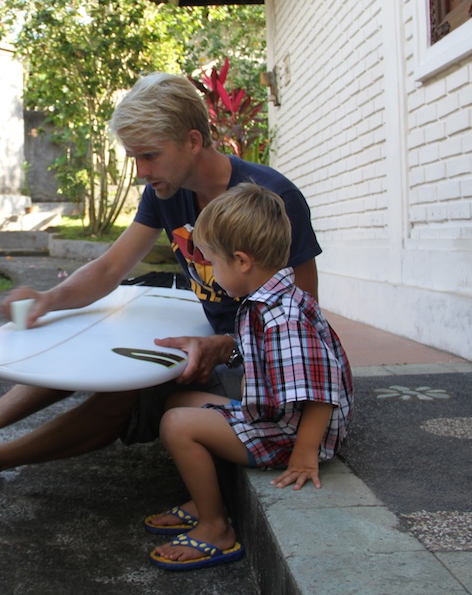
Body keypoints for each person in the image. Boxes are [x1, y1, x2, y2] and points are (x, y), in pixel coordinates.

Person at [0, 72, 323, 483]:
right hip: (215, 344)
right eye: (134, 157)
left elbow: (305, 316)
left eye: (149, 155)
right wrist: (48, 299)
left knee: (133, 390)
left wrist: (225, 346)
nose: (140, 171)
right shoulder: (165, 191)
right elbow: (111, 268)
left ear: (193, 141)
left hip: (263, 368)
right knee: (93, 329)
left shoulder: (272, 198)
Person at [145, 183, 353, 571]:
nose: (210, 275)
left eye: (213, 264)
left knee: (176, 424)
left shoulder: (282, 318)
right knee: (179, 401)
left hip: (290, 435)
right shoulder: (267, 300)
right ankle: (206, 496)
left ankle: (215, 528)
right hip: (274, 415)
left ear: (242, 261)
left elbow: (323, 392)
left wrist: (305, 455)